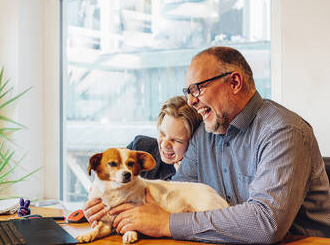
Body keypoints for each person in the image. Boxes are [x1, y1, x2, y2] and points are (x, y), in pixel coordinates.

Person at [83, 46, 330, 243]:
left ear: (234, 83)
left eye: (197, 89)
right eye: (188, 91)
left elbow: (266, 224)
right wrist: (113, 205)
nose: (191, 101)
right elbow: (176, 193)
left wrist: (165, 223)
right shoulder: (205, 134)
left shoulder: (283, 131)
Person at [127, 95, 202, 180]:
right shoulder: (139, 148)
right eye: (162, 133)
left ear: (193, 142)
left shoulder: (199, 174)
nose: (164, 145)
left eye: (176, 140)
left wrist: (183, 178)